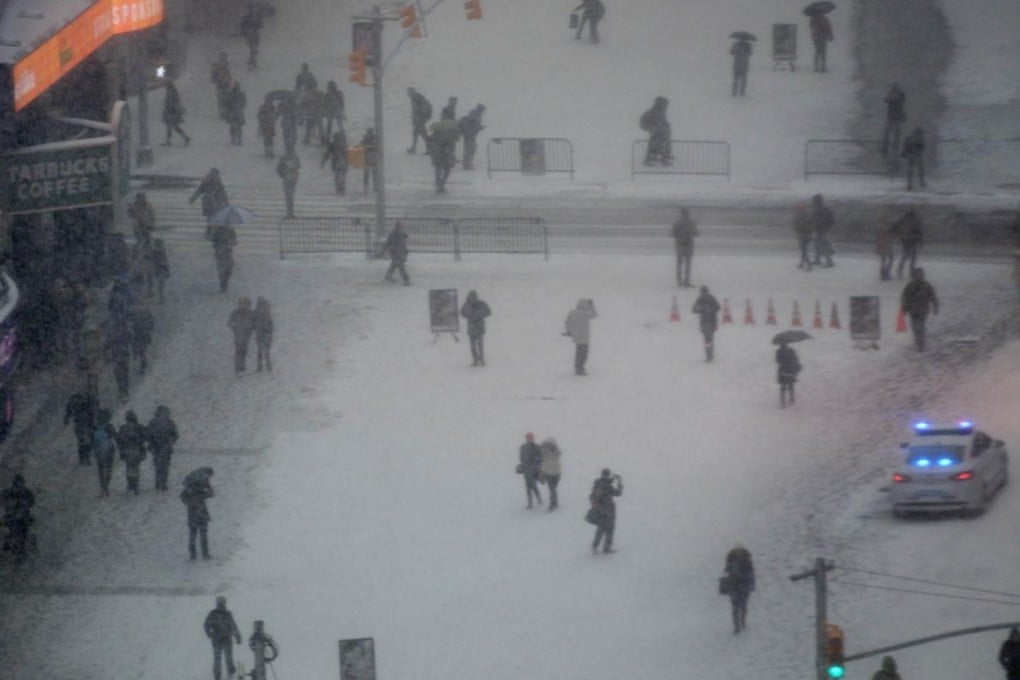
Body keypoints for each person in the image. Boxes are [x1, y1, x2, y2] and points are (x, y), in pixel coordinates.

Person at [900, 266, 938, 351]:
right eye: (917, 274)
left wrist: (935, 306)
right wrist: (904, 308)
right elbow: (905, 297)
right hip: (913, 310)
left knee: (920, 326)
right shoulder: (910, 286)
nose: (919, 276)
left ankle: (921, 342)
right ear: (913, 275)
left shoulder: (927, 285)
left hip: (923, 310)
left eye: (920, 274)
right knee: (915, 327)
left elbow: (933, 297)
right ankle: (919, 339)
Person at [204, 596, 243, 680]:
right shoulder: (218, 614)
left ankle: (225, 674)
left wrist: (237, 636)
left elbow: (233, 626)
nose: (221, 605)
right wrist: (237, 636)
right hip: (222, 639)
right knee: (223, 657)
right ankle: (225, 674)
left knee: (221, 658)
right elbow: (233, 626)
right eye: (221, 603)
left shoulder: (217, 614)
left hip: (221, 639)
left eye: (222, 603)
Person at [181, 469, 214, 560]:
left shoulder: (189, 489)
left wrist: (190, 501)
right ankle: (204, 554)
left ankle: (193, 554)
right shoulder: (201, 490)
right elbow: (211, 493)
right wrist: (208, 486)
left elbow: (183, 499)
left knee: (193, 534)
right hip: (201, 514)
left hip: (192, 515)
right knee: (202, 535)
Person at [1, 474, 35, 562]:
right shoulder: (23, 492)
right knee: (14, 532)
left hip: (20, 518)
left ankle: (15, 549)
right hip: (15, 518)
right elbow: (31, 503)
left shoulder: (25, 492)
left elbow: (31, 502)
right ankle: (10, 548)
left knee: (22, 533)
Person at [588, 468, 622, 554]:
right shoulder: (607, 486)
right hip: (608, 510)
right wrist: (619, 482)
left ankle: (595, 547)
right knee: (610, 529)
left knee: (600, 529)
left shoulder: (597, 483)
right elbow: (618, 493)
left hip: (599, 510)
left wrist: (613, 479)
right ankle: (607, 548)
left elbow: (604, 483)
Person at [723, 543, 755, 633]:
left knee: (743, 606)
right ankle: (736, 626)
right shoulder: (730, 558)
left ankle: (743, 621)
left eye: (739, 550)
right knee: (735, 608)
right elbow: (726, 570)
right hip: (734, 586)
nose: (738, 552)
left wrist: (751, 584)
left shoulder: (747, 559)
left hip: (744, 586)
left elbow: (751, 572)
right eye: (737, 550)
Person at [147, 405, 179, 492]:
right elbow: (175, 435)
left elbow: (149, 435)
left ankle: (158, 482)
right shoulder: (170, 422)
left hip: (156, 447)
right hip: (166, 448)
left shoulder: (152, 422)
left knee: (157, 465)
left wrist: (151, 444)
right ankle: (163, 483)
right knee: (165, 466)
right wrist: (170, 442)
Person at [190, 168, 229, 234]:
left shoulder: (217, 182)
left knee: (213, 217)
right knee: (211, 217)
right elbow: (199, 190)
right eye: (213, 173)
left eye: (215, 174)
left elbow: (223, 193)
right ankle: (210, 232)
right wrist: (193, 198)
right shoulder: (209, 182)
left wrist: (226, 202)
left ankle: (210, 232)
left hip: (214, 203)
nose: (214, 175)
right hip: (209, 202)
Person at [117, 410, 147, 495]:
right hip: (137, 450)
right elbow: (145, 437)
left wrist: (121, 449)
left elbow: (119, 440)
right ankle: (136, 486)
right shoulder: (139, 427)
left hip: (127, 450)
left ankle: (130, 484)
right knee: (136, 467)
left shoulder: (123, 428)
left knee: (129, 467)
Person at [564, 298, 598, 375]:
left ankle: (578, 367)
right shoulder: (585, 313)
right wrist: (592, 306)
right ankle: (580, 368)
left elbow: (567, 322)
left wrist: (568, 331)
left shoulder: (572, 313)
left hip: (576, 336)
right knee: (584, 353)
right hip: (584, 337)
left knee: (578, 352)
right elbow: (595, 314)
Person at [429, 111, 460, 193]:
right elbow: (456, 138)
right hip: (447, 151)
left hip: (437, 150)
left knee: (438, 168)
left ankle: (438, 185)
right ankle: (441, 184)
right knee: (447, 169)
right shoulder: (453, 127)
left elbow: (431, 136)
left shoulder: (437, 125)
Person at [64, 390, 98, 465]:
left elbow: (68, 412)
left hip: (80, 423)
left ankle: (83, 458)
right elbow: (94, 409)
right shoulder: (87, 398)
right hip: (87, 422)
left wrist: (66, 419)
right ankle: (87, 457)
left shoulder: (72, 401)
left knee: (82, 441)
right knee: (89, 440)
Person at [460, 290, 491, 366]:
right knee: (473, 346)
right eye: (471, 297)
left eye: (473, 296)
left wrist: (478, 314)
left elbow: (488, 312)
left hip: (479, 327)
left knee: (480, 345)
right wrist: (468, 314)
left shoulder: (481, 303)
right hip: (472, 328)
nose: (472, 298)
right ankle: (475, 360)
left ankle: (481, 360)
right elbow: (462, 312)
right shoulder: (467, 304)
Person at [104, 318, 132, 402]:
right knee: (120, 375)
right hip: (119, 357)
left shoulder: (115, 335)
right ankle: (123, 392)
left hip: (120, 357)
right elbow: (106, 346)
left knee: (122, 375)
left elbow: (106, 346)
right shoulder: (122, 334)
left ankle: (123, 392)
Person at [92, 408, 118, 497]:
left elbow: (93, 440)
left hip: (99, 450)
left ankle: (103, 486)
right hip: (109, 449)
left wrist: (95, 451)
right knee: (109, 468)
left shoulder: (95, 427)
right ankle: (106, 485)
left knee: (101, 469)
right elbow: (116, 437)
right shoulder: (109, 427)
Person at [692, 285, 721, 362]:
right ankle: (710, 353)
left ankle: (709, 355)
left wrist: (701, 309)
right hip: (712, 321)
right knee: (710, 338)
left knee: (707, 340)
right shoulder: (712, 298)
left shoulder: (700, 299)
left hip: (704, 322)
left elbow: (694, 310)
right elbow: (718, 307)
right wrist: (712, 310)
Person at [640, 96, 672, 166]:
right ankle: (651, 159)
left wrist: (666, 126)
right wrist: (651, 128)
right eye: (665, 105)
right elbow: (643, 121)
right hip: (657, 135)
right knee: (655, 145)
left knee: (663, 145)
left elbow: (662, 122)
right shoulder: (653, 112)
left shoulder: (661, 113)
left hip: (663, 135)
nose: (666, 107)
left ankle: (664, 158)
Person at [892, 209, 924, 278]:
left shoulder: (903, 219)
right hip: (913, 240)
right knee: (912, 257)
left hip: (905, 240)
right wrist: (921, 241)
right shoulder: (916, 220)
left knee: (905, 256)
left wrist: (898, 234)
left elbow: (894, 227)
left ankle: (900, 270)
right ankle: (911, 272)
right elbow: (920, 232)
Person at [671, 207, 697, 287]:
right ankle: (686, 281)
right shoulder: (691, 222)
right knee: (687, 265)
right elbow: (696, 233)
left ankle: (680, 281)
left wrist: (679, 237)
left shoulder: (677, 222)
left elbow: (673, 234)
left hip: (680, 246)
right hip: (688, 246)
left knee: (680, 264)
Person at [228, 297, 255, 374]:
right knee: (238, 351)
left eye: (245, 304)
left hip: (246, 335)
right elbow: (229, 323)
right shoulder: (235, 313)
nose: (243, 306)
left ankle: (242, 367)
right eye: (241, 304)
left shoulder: (250, 313)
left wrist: (251, 326)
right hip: (238, 334)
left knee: (244, 351)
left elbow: (255, 323)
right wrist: (234, 326)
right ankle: (238, 368)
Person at [210, 222, 238, 293]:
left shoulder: (231, 230)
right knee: (221, 270)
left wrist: (229, 242)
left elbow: (235, 241)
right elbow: (212, 239)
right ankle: (223, 286)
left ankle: (225, 282)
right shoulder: (217, 231)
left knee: (229, 270)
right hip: (220, 254)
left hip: (228, 253)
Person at [161, 79, 190, 146]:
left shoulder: (171, 92)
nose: (165, 86)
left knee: (171, 127)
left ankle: (184, 138)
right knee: (174, 127)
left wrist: (169, 107)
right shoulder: (172, 91)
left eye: (166, 84)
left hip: (171, 111)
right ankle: (185, 138)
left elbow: (171, 102)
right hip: (172, 111)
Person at [519, 433, 543, 508]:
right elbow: (521, 457)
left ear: (533, 438)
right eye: (528, 438)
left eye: (530, 438)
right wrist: (522, 465)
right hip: (526, 470)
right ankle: (530, 502)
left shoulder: (537, 447)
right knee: (528, 486)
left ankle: (538, 499)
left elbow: (541, 458)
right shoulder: (522, 447)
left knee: (533, 485)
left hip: (535, 469)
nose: (529, 439)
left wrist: (536, 462)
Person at [129, 304, 155, 375]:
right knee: (142, 351)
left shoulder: (135, 312)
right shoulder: (146, 312)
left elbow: (130, 322)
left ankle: (140, 366)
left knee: (139, 351)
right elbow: (152, 323)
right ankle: (142, 365)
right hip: (143, 335)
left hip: (138, 335)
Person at [458, 104, 485, 170]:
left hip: (470, 134)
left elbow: (474, 125)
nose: (483, 112)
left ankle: (467, 163)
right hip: (469, 135)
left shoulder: (475, 115)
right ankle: (466, 165)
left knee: (471, 148)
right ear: (480, 109)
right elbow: (473, 126)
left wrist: (479, 127)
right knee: (470, 149)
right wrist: (480, 127)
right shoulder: (474, 115)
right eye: (483, 110)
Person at [881, 83, 906, 157]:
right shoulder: (891, 94)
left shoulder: (901, 95)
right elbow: (886, 100)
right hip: (892, 117)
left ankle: (894, 146)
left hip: (896, 117)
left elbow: (903, 99)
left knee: (895, 132)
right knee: (888, 132)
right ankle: (885, 146)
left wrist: (897, 97)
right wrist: (893, 97)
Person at [321, 130, 349, 196]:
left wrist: (323, 162)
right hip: (344, 163)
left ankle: (339, 190)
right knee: (342, 177)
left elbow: (327, 154)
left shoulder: (332, 145)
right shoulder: (345, 145)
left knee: (337, 177)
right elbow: (348, 155)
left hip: (337, 163)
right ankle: (342, 190)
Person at [407, 87, 433, 154]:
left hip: (419, 119)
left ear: (411, 91)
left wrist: (422, 116)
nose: (408, 94)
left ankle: (430, 149)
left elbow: (422, 108)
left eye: (409, 92)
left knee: (424, 135)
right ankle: (413, 148)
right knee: (415, 134)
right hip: (418, 119)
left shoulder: (416, 97)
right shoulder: (415, 97)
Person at [775, 339, 801, 407]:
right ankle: (791, 399)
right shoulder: (791, 350)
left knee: (783, 387)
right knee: (791, 385)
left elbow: (777, 361)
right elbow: (796, 359)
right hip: (790, 370)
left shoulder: (778, 351)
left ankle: (782, 402)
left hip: (783, 371)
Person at [811, 193, 835, 267]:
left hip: (821, 230)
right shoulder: (823, 209)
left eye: (814, 201)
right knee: (817, 245)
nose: (813, 202)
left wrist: (819, 227)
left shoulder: (821, 210)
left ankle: (829, 261)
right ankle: (817, 260)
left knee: (822, 245)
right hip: (821, 230)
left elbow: (819, 220)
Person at [539, 437, 562, 511]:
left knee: (553, 489)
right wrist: (542, 473)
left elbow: (557, 453)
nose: (550, 445)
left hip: (557, 473)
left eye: (551, 444)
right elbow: (543, 462)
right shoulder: (544, 454)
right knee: (552, 489)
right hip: (548, 474)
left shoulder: (557, 452)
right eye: (549, 444)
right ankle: (552, 504)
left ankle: (555, 501)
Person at [276, 150, 301, 218]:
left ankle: (290, 212)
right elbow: (278, 169)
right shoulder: (288, 157)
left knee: (289, 195)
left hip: (291, 178)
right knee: (289, 196)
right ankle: (290, 212)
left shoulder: (290, 157)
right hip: (288, 178)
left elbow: (298, 166)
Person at [253, 296, 274, 372]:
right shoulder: (267, 312)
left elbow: (253, 322)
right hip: (264, 334)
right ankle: (267, 366)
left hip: (261, 333)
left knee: (261, 351)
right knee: (265, 351)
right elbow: (270, 324)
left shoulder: (257, 312)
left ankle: (260, 366)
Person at [902, 126, 926, 190]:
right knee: (918, 168)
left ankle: (910, 183)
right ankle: (920, 181)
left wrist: (904, 153)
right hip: (916, 155)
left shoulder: (910, 137)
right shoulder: (919, 138)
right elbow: (923, 147)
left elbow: (905, 146)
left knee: (911, 169)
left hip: (912, 155)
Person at [210, 52, 232, 120]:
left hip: (223, 86)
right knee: (223, 100)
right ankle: (224, 114)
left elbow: (213, 78)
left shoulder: (222, 66)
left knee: (223, 100)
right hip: (223, 86)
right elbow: (213, 78)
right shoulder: (219, 67)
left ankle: (224, 114)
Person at [792, 203, 813, 271]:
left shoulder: (799, 216)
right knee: (804, 249)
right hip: (808, 235)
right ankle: (801, 263)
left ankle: (808, 265)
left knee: (804, 250)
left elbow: (796, 225)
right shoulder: (808, 215)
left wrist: (797, 230)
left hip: (802, 235)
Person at [225, 82, 246, 146]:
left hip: (233, 113)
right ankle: (238, 140)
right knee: (238, 128)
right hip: (238, 113)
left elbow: (227, 104)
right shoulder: (241, 94)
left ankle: (234, 140)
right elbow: (244, 103)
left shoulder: (231, 94)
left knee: (233, 128)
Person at [152, 238, 170, 303]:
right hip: (161, 269)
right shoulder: (158, 252)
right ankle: (161, 298)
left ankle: (161, 298)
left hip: (160, 270)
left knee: (160, 285)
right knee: (160, 285)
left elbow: (165, 261)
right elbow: (165, 262)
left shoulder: (158, 252)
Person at [360, 127, 378, 193]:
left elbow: (377, 146)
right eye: (368, 132)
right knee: (366, 174)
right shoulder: (365, 138)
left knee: (374, 174)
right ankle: (366, 188)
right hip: (367, 158)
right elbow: (360, 145)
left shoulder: (375, 138)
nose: (369, 134)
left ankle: (375, 187)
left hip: (372, 158)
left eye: (370, 132)